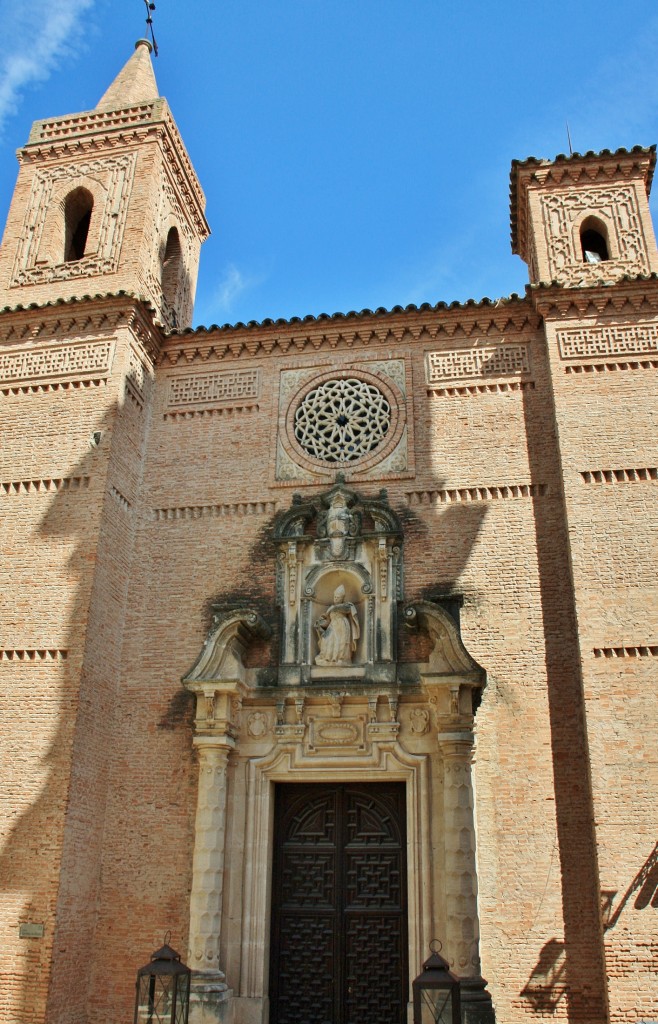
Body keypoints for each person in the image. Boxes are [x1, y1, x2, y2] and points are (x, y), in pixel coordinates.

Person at [314, 584, 360, 666]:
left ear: (342, 598)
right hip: (332, 626)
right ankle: (328, 659)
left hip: (342, 626)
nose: (335, 598)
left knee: (341, 642)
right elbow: (328, 621)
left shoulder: (347, 605)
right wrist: (320, 625)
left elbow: (347, 609)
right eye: (335, 597)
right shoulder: (330, 608)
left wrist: (335, 608)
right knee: (326, 640)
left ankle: (341, 659)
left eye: (337, 597)